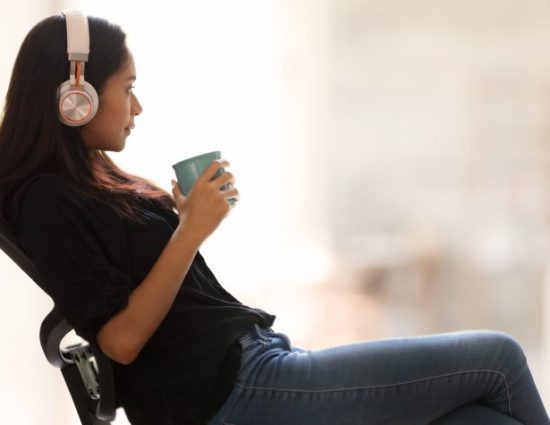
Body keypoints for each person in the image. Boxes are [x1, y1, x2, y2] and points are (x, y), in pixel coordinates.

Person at [0, 11, 548, 425]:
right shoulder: (47, 200)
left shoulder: (89, 181)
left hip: (254, 363)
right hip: (230, 392)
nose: (137, 107)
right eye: (129, 88)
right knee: (497, 358)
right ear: (77, 96)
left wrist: (186, 218)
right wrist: (189, 233)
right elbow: (119, 341)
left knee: (482, 419)